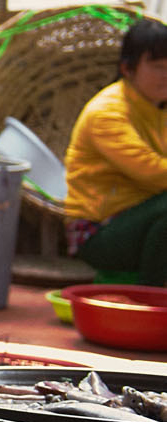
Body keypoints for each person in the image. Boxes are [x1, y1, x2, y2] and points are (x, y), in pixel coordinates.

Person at [64, 19, 167, 283]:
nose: (166, 75)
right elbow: (154, 173)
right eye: (158, 67)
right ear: (127, 69)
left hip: (141, 217)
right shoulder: (107, 112)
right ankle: (151, 298)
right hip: (98, 231)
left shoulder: (158, 106)